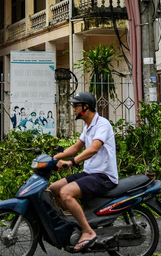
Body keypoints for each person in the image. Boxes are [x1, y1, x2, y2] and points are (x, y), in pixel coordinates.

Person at [50, 92, 118, 252]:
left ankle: (88, 231)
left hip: (103, 176)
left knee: (66, 193)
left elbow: (94, 148)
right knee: (54, 189)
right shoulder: (88, 126)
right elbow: (76, 147)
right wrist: (53, 158)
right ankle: (76, 223)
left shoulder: (102, 124)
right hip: (90, 173)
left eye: (76, 106)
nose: (73, 109)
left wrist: (72, 162)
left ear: (86, 107)